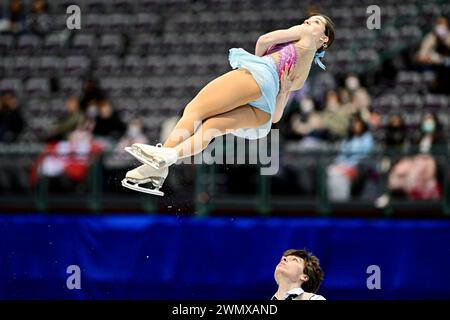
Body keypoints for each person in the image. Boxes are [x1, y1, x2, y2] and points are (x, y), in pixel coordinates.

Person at [122, 14, 335, 195]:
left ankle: (158, 167)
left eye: (316, 21)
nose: (308, 21)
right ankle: (168, 159)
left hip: (260, 76)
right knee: (211, 128)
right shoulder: (302, 76)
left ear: (324, 38)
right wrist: (283, 88)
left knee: (194, 110)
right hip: (265, 111)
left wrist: (257, 63)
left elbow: (264, 39)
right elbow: (277, 117)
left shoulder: (304, 33)